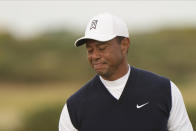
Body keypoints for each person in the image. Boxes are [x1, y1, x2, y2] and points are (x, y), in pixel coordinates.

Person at [59, 13, 193, 131]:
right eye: (90, 50)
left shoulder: (165, 90)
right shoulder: (74, 106)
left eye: (101, 48)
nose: (94, 56)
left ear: (124, 45)